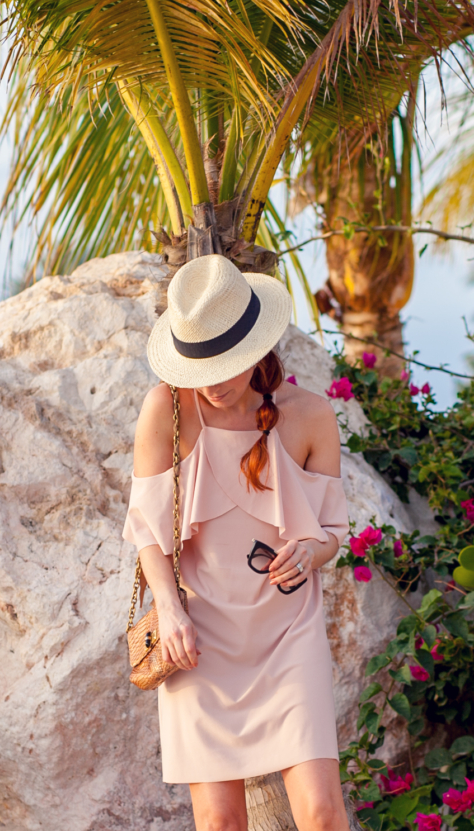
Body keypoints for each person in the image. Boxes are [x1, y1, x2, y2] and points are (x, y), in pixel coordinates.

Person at [123, 254, 350, 831]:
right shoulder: (167, 410)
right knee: (220, 822)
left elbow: (331, 536)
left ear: (257, 346)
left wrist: (311, 551)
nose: (213, 383)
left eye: (225, 364)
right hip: (199, 638)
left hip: (288, 637)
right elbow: (148, 531)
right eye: (199, 367)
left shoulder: (312, 417)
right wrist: (170, 612)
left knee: (323, 814)